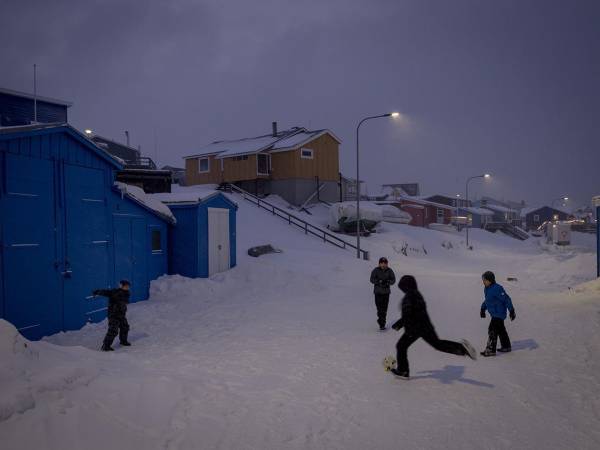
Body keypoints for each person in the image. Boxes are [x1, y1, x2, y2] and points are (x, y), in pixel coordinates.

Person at [390, 275, 477, 379]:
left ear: (406, 286)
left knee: (401, 346)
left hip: (415, 328)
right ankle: (462, 348)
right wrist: (399, 324)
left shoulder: (409, 296)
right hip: (425, 326)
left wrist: (408, 329)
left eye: (403, 287)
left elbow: (408, 314)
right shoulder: (417, 294)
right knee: (438, 344)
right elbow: (415, 312)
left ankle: (403, 371)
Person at [480, 271, 515, 357]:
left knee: (492, 329)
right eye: (483, 280)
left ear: (490, 280)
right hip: (494, 313)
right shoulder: (487, 289)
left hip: (499, 313)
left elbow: (506, 299)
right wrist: (483, 308)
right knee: (501, 330)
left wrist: (511, 310)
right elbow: (488, 300)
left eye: (485, 280)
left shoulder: (497, 288)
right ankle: (506, 346)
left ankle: (491, 350)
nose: (483, 281)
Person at [93, 280, 132, 351]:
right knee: (113, 330)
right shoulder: (115, 292)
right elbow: (106, 292)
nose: (127, 288)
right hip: (113, 314)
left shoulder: (127, 293)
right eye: (125, 286)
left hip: (121, 314)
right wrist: (97, 292)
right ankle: (106, 346)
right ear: (121, 286)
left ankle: (123, 341)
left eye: (128, 286)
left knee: (125, 327)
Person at [370, 257, 396, 331]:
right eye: (382, 263)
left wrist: (388, 282)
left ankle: (382, 323)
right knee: (379, 308)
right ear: (379, 264)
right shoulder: (376, 270)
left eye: (385, 263)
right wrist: (379, 281)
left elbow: (393, 280)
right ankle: (381, 322)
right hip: (378, 292)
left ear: (387, 264)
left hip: (386, 293)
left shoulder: (390, 270)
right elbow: (371, 279)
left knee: (384, 309)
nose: (383, 265)